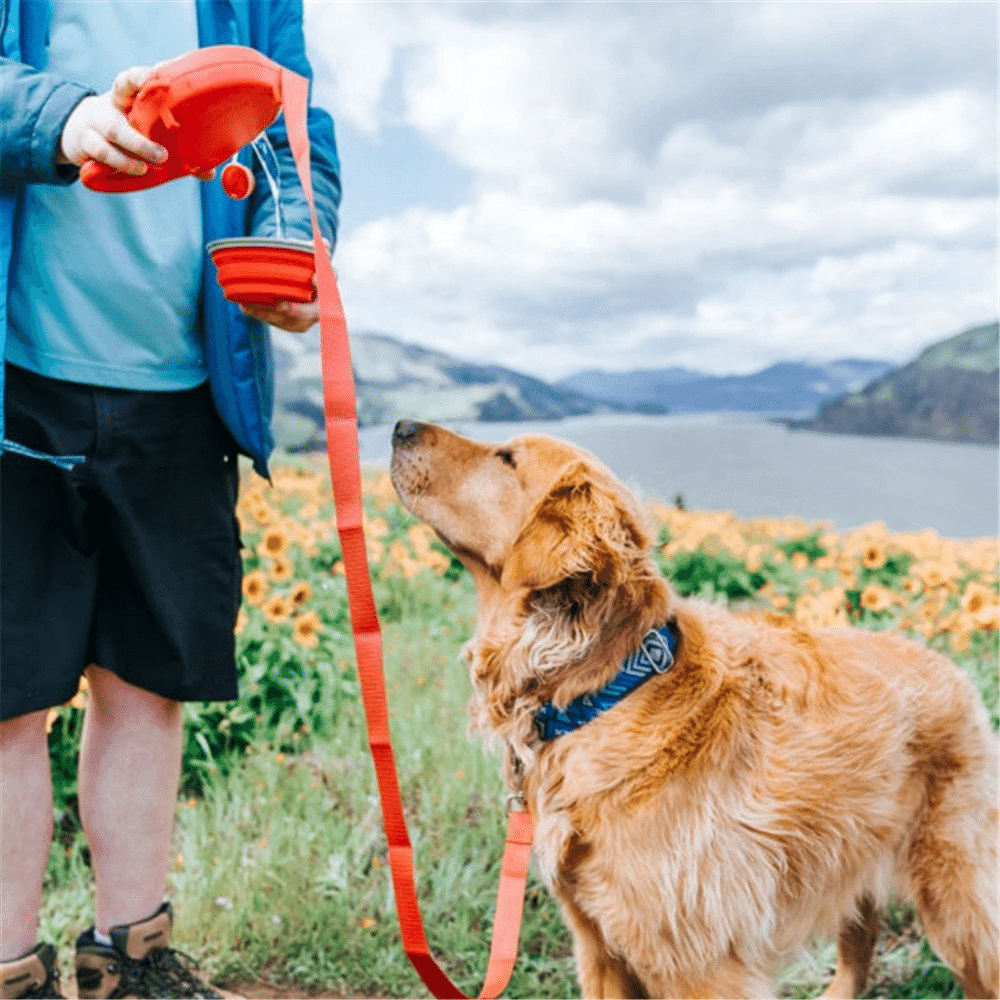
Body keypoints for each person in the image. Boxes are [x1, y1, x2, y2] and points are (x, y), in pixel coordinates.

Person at [0, 1, 341, 997]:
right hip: (16, 386)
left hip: (187, 390)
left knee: (149, 687)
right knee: (7, 700)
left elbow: (294, 131)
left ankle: (131, 963)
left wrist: (290, 246)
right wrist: (55, 117)